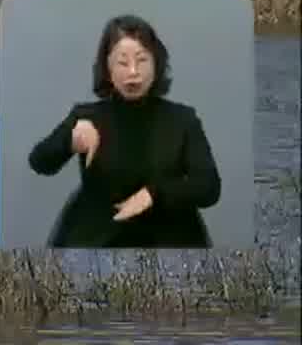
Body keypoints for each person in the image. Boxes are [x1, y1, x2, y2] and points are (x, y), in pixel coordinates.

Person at [27, 13, 221, 248]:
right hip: (98, 239)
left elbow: (209, 186)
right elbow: (39, 161)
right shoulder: (87, 116)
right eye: (122, 62)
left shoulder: (182, 119)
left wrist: (154, 195)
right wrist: (70, 140)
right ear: (107, 68)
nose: (133, 72)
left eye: (141, 60)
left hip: (171, 240)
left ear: (156, 64)